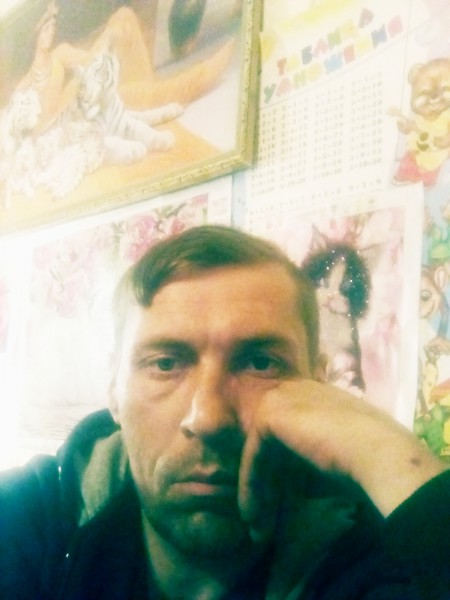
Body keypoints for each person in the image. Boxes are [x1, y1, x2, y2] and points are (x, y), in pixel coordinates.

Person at [1, 224, 450, 600]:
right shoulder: (34, 517)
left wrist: (396, 459)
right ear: (114, 390)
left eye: (260, 363)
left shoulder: (379, 556)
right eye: (165, 364)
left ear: (318, 385)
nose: (208, 419)